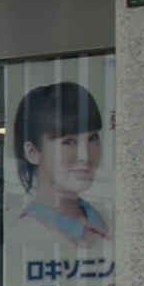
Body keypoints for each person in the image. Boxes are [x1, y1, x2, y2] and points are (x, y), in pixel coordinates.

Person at [10, 80, 109, 242]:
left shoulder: (107, 221)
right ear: (33, 152)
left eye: (93, 138)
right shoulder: (28, 235)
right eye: (69, 141)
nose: (85, 155)